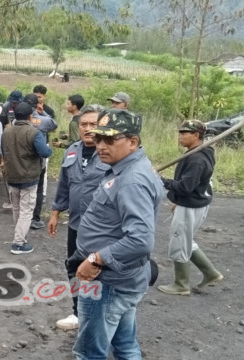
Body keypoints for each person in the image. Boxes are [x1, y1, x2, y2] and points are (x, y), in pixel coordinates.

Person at [73, 109, 163, 359]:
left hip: (109, 281)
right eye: (99, 138)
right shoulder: (125, 169)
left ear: (132, 142)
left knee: (90, 353)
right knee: (124, 344)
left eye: (110, 140)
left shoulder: (132, 180)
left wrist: (95, 259)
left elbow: (140, 240)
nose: (101, 145)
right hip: (121, 279)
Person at [47, 104, 109, 331]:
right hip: (75, 224)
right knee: (74, 267)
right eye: (84, 124)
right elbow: (64, 185)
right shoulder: (72, 150)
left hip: (101, 229)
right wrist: (55, 213)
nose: (88, 129)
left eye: (94, 124)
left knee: (99, 271)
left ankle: (100, 317)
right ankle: (78, 312)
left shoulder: (110, 153)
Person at [157, 120, 224, 293]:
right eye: (180, 132)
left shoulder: (197, 159)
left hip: (192, 205)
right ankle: (210, 273)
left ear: (196, 135)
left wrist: (160, 180)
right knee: (186, 239)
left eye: (184, 133)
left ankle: (181, 284)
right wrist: (179, 201)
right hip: (193, 203)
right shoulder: (200, 152)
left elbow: (185, 187)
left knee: (179, 241)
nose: (180, 136)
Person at [2, 102, 52, 256]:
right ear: (30, 116)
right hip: (28, 177)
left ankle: (20, 237)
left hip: (11, 176)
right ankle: (18, 243)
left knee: (17, 208)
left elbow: (4, 150)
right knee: (26, 211)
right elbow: (45, 152)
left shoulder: (7, 132)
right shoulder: (33, 132)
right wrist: (50, 148)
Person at [23, 93, 58, 229]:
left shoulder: (17, 121)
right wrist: (43, 112)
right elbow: (54, 124)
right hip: (38, 161)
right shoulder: (43, 120)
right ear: (36, 105)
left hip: (22, 160)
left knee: (23, 189)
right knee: (37, 190)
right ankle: (35, 218)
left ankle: (23, 216)